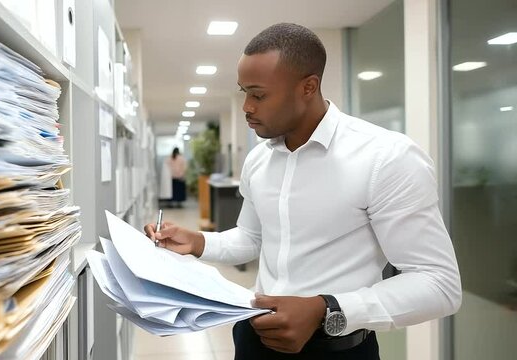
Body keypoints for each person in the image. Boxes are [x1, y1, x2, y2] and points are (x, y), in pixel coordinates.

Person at [145, 23, 461, 360]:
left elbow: (438, 283)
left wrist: (326, 309)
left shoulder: (386, 157)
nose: (247, 107)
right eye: (244, 92)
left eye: (259, 94)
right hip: (254, 339)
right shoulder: (259, 160)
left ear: (308, 87)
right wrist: (198, 242)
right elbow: (253, 238)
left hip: (336, 348)